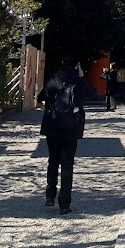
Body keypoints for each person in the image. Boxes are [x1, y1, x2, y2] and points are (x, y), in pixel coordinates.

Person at [43, 55, 95, 215]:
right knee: (67, 164)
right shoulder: (78, 82)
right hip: (71, 128)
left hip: (52, 126)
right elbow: (92, 94)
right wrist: (81, 76)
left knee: (53, 160)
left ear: (61, 63)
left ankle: (50, 196)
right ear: (77, 65)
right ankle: (64, 203)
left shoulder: (53, 79)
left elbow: (41, 97)